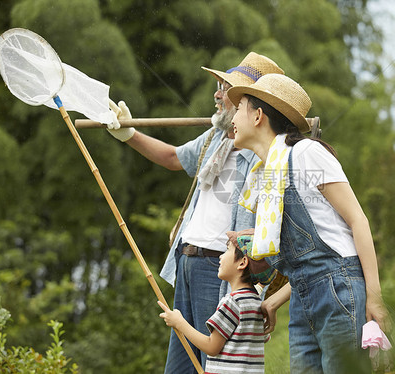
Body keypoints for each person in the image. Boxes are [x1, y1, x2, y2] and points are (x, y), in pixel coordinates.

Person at [106, 53, 284, 373]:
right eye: (219, 87)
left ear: (250, 106)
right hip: (187, 260)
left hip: (218, 267)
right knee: (181, 365)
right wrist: (128, 134)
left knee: (215, 362)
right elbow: (175, 158)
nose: (217, 95)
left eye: (226, 89)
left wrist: (256, 287)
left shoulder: (266, 156)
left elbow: (271, 226)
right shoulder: (216, 138)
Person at [227, 74, 391, 373]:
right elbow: (304, 267)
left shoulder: (306, 153)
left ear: (259, 115)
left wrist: (375, 298)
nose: (232, 116)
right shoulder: (266, 176)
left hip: (339, 290)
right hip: (304, 298)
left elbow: (357, 221)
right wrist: (275, 299)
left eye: (238, 108)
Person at [158, 229, 270, 374]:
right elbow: (264, 337)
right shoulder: (256, 302)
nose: (221, 256)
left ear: (242, 262)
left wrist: (179, 323)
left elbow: (212, 347)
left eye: (227, 250)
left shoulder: (232, 302)